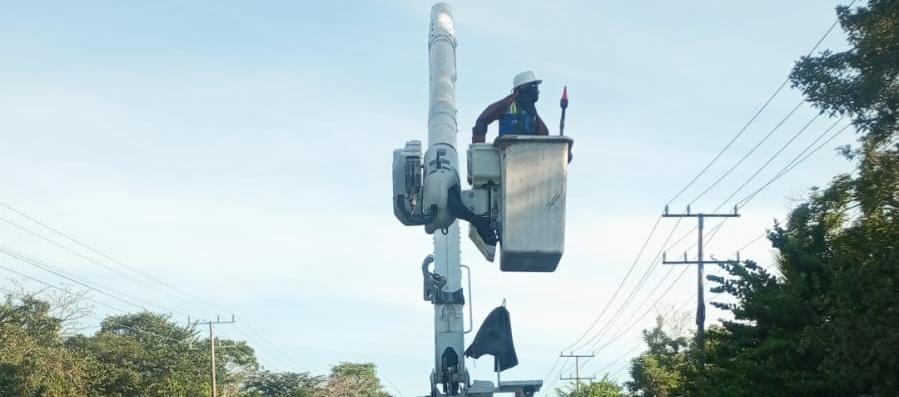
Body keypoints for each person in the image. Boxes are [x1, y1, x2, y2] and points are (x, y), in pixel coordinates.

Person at [471, 71, 549, 143]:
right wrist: (479, 148)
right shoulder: (507, 104)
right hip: (507, 151)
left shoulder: (532, 112)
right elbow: (482, 120)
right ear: (521, 89)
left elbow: (544, 136)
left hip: (528, 152)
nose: (537, 91)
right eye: (533, 87)